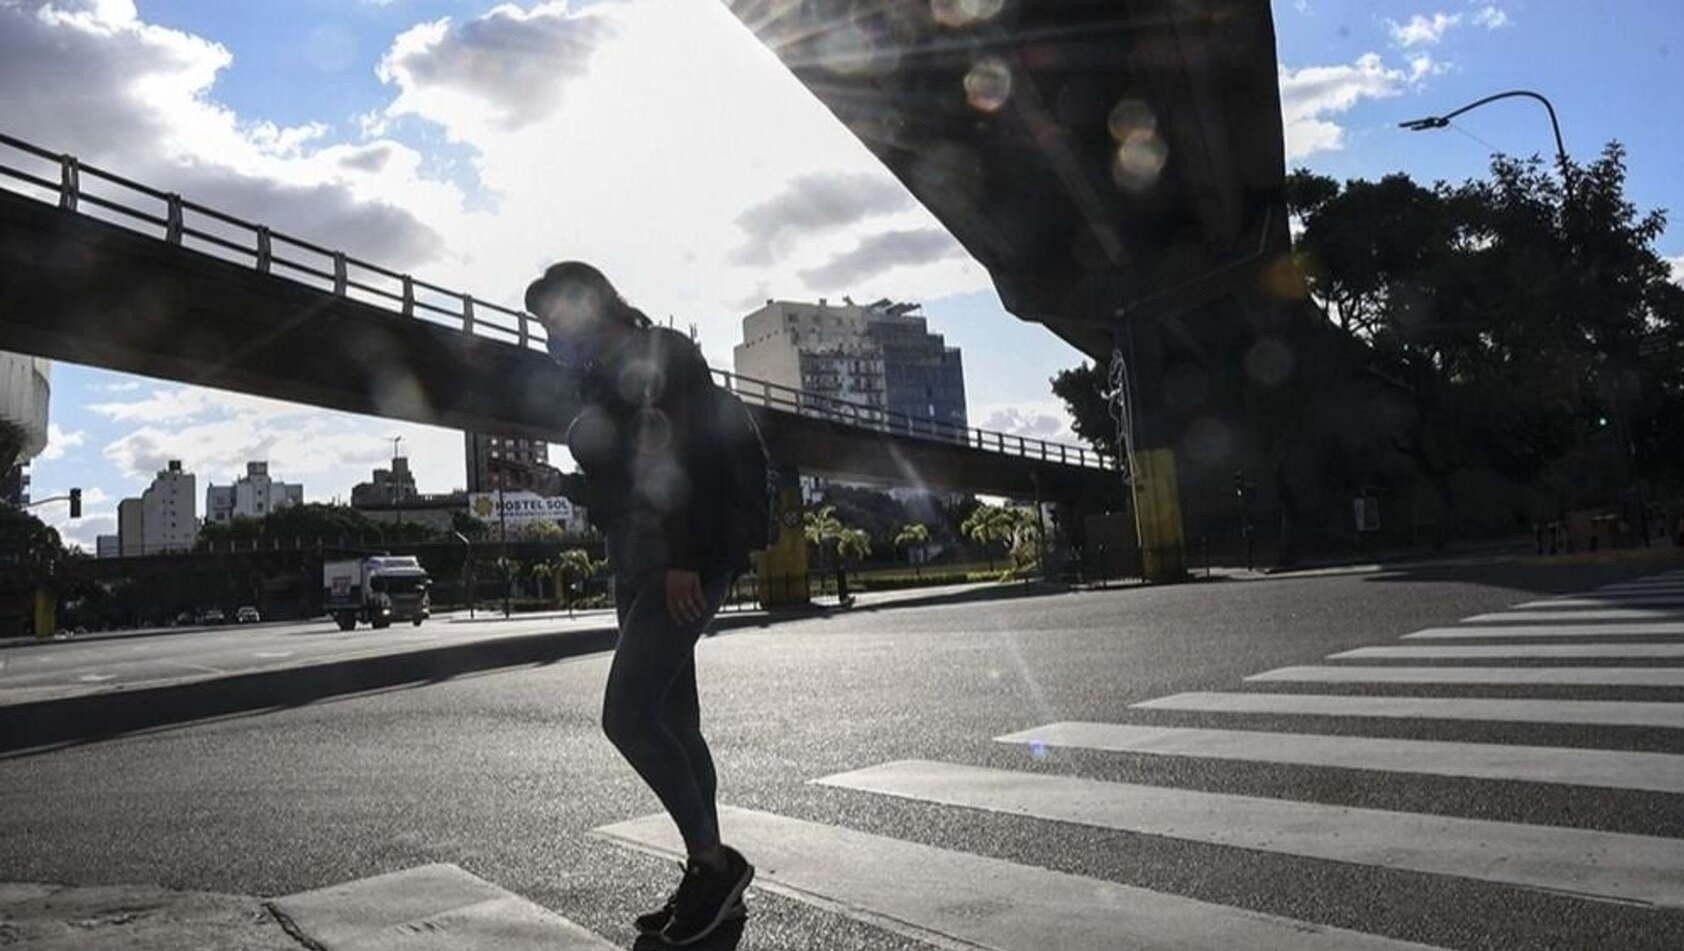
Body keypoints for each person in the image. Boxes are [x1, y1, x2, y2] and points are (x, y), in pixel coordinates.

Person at [526, 261, 755, 946]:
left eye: (555, 317)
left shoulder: (662, 354)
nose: (551, 335)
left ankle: (716, 866)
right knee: (676, 722)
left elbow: (687, 454)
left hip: (680, 561)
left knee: (626, 715)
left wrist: (684, 554)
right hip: (636, 562)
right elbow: (622, 483)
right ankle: (712, 882)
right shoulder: (603, 375)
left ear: (590, 302)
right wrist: (560, 484)